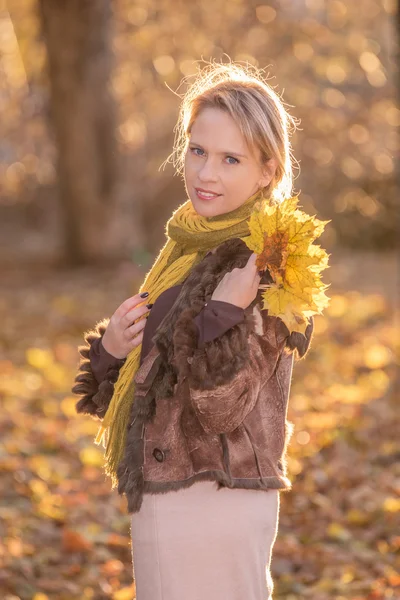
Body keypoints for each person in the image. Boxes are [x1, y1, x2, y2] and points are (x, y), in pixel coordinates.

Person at [72, 61, 314, 600]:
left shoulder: (269, 261)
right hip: (164, 494)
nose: (206, 173)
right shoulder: (186, 249)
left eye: (231, 159)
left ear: (268, 170)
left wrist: (222, 316)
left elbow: (220, 407)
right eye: (198, 151)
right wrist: (112, 349)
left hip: (218, 497)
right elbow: (151, 384)